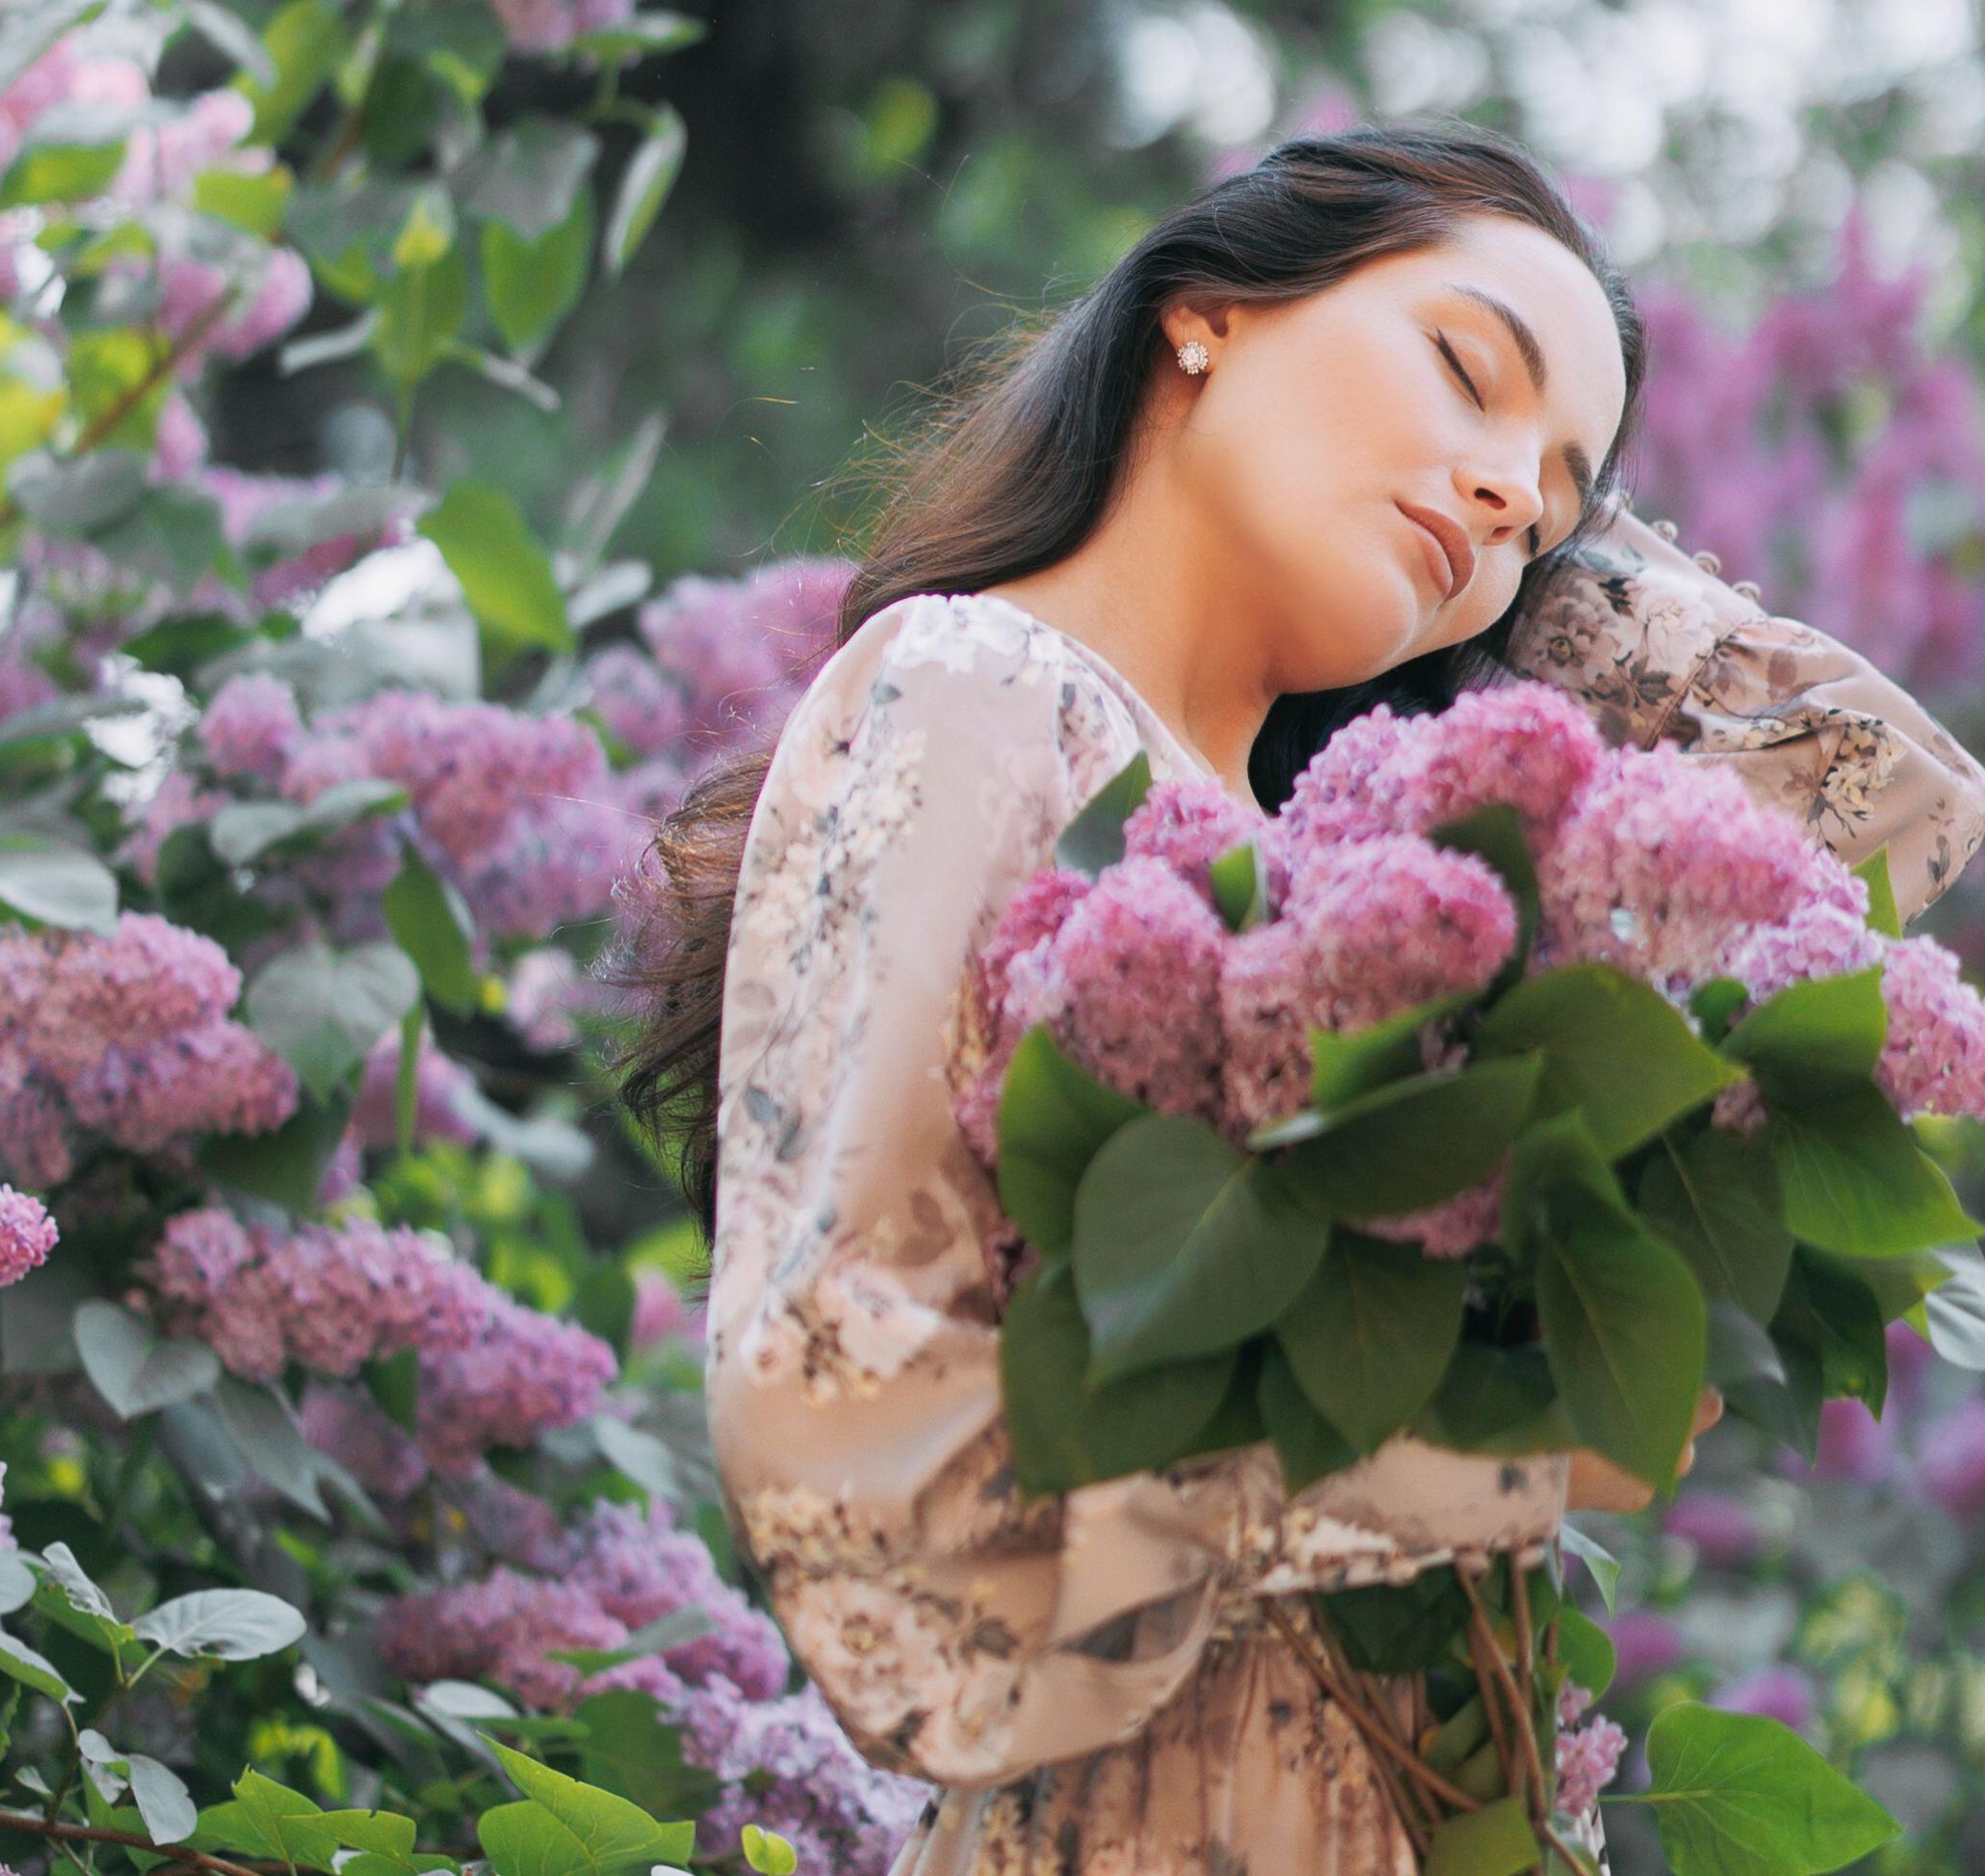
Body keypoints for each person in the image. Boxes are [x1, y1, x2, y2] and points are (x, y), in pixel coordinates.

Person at [606, 123, 1985, 1874]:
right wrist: (1494, 1457)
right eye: (1465, 369)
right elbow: (870, 1479)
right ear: (1210, 311)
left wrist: (1531, 568)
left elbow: (1882, 807)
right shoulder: (977, 696)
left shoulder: (1354, 874)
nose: (1506, 498)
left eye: (1555, 508)